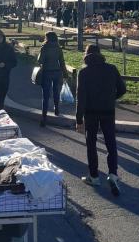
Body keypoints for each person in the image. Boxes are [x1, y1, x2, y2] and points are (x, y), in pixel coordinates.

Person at [76, 45, 126, 196]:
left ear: (86, 55)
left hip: (91, 113)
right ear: (100, 54)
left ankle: (94, 176)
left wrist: (79, 119)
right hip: (108, 111)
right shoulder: (112, 68)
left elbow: (81, 97)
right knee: (111, 143)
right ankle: (113, 174)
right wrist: (111, 98)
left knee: (91, 144)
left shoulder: (83, 72)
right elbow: (122, 89)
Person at [36, 31, 69, 126]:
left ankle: (44, 118)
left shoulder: (44, 47)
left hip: (47, 73)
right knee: (56, 92)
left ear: (47, 38)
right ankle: (57, 109)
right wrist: (65, 74)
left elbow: (40, 60)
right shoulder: (58, 48)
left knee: (45, 96)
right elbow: (62, 62)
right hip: (57, 73)